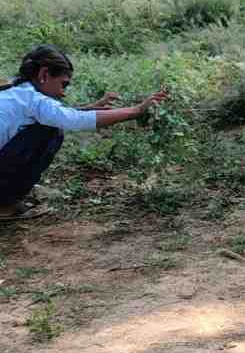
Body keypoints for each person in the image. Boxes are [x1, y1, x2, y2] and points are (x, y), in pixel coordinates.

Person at [0, 45, 167, 222]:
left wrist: (89, 109)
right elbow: (73, 120)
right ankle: (4, 204)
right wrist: (136, 110)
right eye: (63, 84)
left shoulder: (14, 90)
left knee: (46, 127)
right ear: (44, 74)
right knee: (50, 131)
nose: (63, 93)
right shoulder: (34, 100)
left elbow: (56, 115)